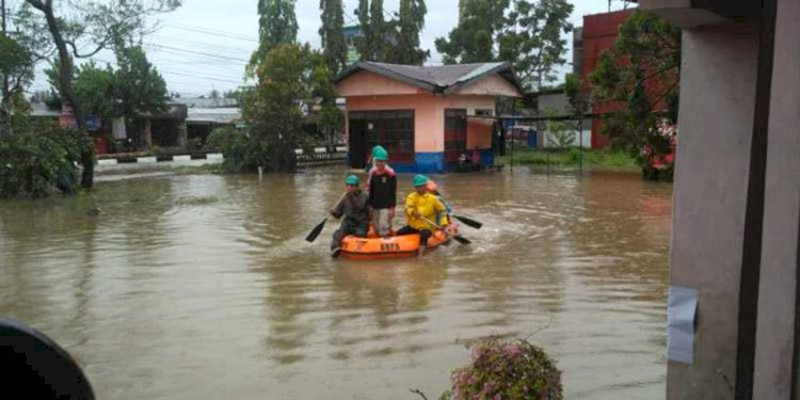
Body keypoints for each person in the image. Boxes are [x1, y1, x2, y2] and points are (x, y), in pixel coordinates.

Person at [397, 174, 450, 256]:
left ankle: (421, 255)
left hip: (427, 226)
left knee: (424, 235)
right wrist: (413, 212)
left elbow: (442, 211)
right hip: (414, 225)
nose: (419, 188)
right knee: (400, 233)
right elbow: (408, 208)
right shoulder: (411, 197)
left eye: (421, 186)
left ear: (425, 186)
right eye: (418, 186)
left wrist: (444, 224)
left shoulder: (433, 198)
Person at [330, 174, 370, 257]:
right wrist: (334, 212)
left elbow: (359, 206)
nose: (349, 187)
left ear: (357, 186)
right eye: (347, 185)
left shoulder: (364, 196)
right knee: (337, 234)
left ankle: (360, 251)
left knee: (360, 234)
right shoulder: (344, 198)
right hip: (348, 222)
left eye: (352, 186)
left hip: (361, 223)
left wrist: (350, 196)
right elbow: (339, 215)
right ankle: (335, 248)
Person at [367, 146, 397, 237]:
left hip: (386, 206)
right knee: (376, 227)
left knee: (384, 227)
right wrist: (370, 206)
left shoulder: (390, 174)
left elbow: (393, 192)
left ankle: (386, 239)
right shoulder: (373, 173)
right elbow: (371, 191)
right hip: (375, 205)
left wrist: (392, 208)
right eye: (378, 161)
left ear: (385, 162)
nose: (380, 163)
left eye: (382, 161)